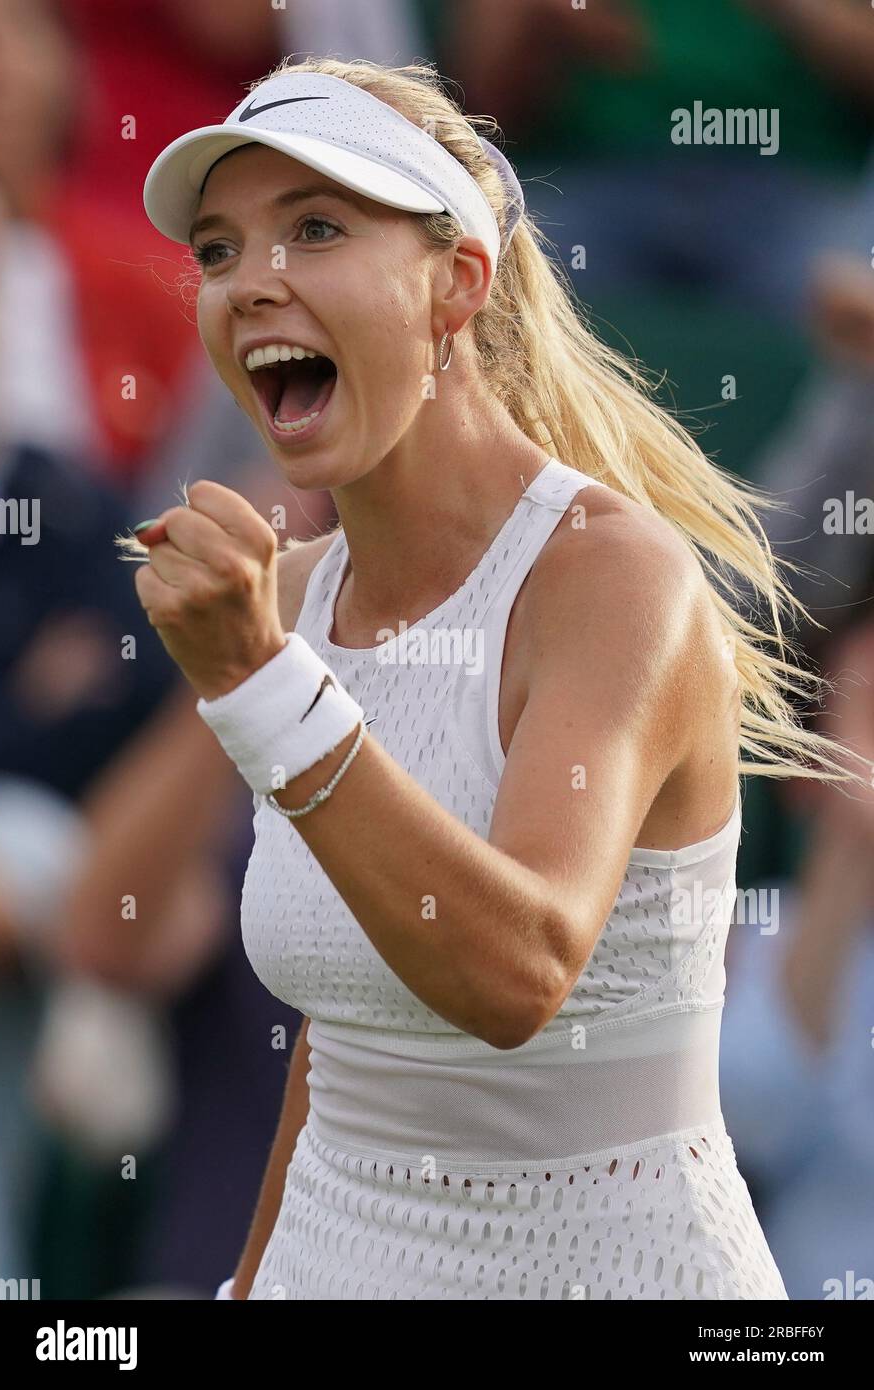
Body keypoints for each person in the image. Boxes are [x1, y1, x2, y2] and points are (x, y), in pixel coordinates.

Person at [121, 56, 869, 1301]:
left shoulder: (613, 581)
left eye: (316, 229)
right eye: (218, 250)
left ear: (456, 285)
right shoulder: (301, 594)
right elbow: (352, 1022)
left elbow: (515, 973)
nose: (254, 282)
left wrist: (259, 684)